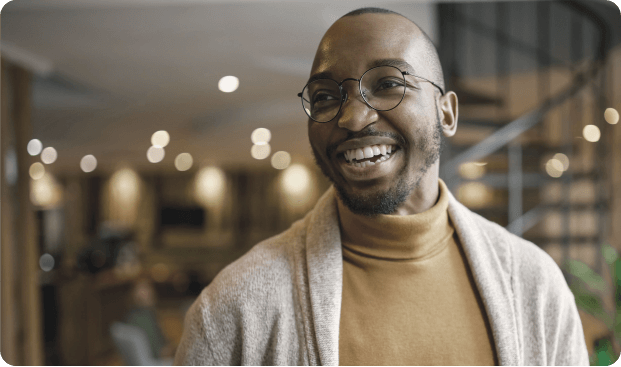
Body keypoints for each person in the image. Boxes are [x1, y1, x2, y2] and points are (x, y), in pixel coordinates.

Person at [174, 7, 589, 366]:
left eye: (389, 84)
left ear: (446, 113)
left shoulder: (535, 286)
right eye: (324, 97)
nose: (353, 119)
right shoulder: (234, 307)